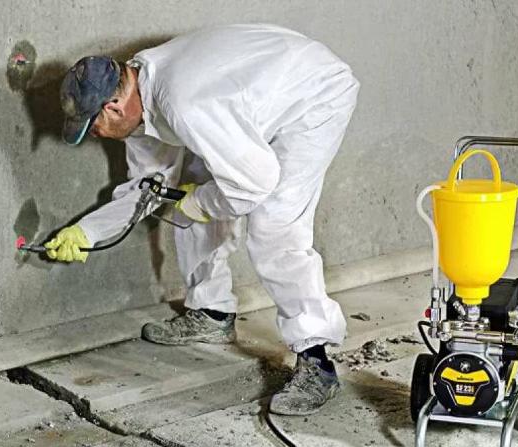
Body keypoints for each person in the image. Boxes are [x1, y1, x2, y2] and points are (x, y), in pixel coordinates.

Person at [45, 24, 359, 416]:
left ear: (113, 107)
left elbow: (254, 184)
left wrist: (201, 202)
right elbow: (151, 188)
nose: (96, 135)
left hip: (312, 94)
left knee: (275, 226)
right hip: (261, 87)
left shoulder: (184, 104)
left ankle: (317, 360)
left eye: (93, 127)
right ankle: (213, 311)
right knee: (190, 189)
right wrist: (87, 231)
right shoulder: (139, 90)